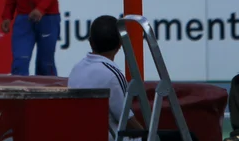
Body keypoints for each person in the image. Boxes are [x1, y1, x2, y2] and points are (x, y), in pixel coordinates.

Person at [68, 15, 199, 141]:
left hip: (85, 136)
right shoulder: (112, 75)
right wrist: (149, 136)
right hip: (114, 138)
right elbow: (125, 119)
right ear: (120, 44)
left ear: (90, 42)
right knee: (188, 137)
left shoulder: (76, 69)